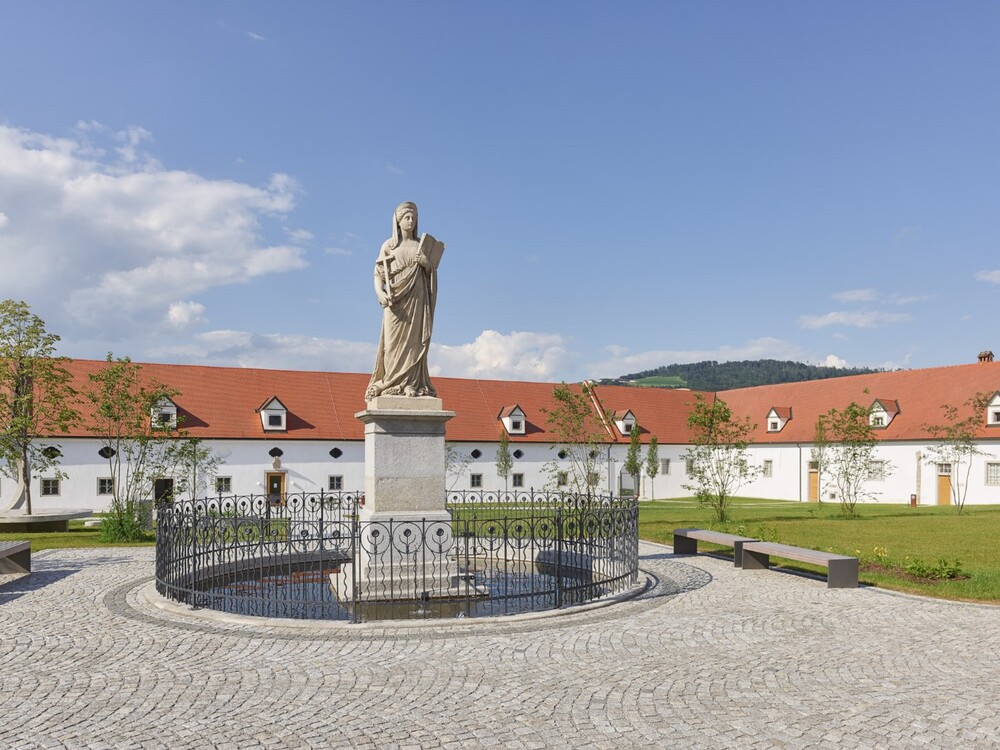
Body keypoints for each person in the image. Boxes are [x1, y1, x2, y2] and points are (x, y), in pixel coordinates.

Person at [365, 201, 440, 400]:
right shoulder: (388, 246)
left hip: (417, 299)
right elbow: (378, 273)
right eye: (407, 217)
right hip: (394, 302)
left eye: (414, 218)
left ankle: (411, 383)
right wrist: (379, 293)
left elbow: (432, 274)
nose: (411, 221)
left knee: (414, 343)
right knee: (391, 344)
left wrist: (426, 265)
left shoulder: (419, 247)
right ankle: (392, 381)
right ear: (398, 221)